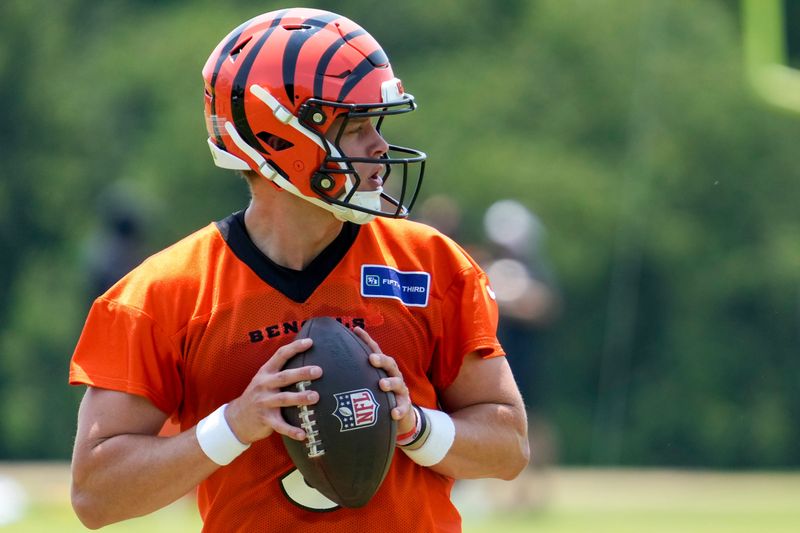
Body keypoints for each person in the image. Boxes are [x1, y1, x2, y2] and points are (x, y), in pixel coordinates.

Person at [68, 8, 529, 532]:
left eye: (376, 123)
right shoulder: (164, 293)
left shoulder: (431, 264)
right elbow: (95, 496)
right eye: (356, 126)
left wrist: (415, 425)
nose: (378, 145)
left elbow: (509, 447)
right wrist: (236, 425)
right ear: (277, 139)